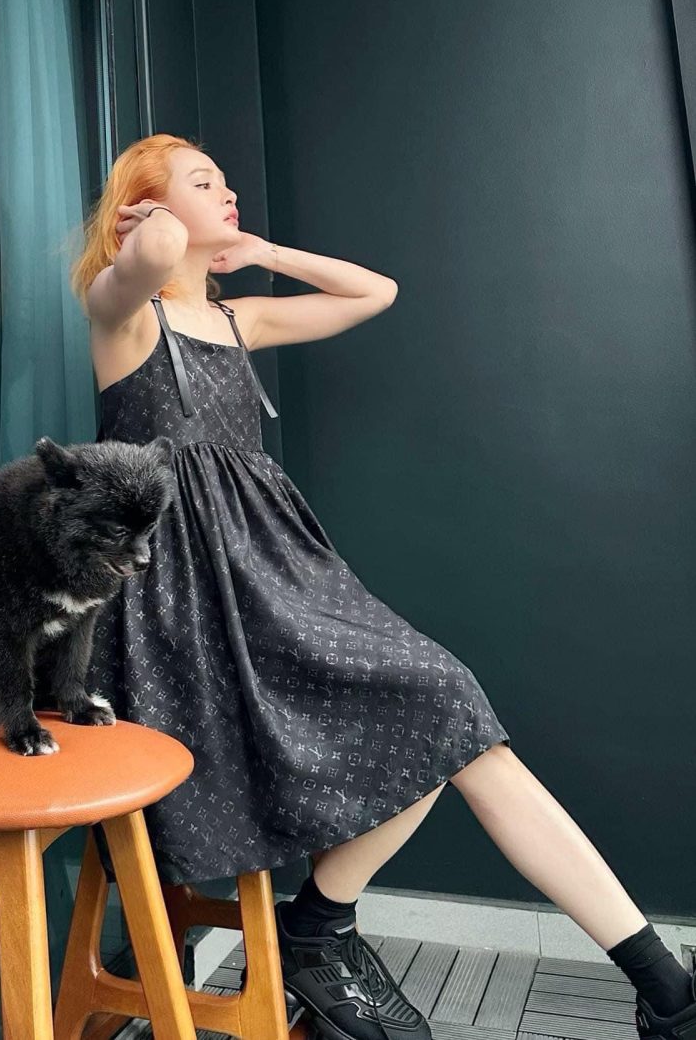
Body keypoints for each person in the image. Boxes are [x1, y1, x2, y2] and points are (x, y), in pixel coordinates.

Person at [70, 133, 695, 1040]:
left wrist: (264, 250)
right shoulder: (122, 315)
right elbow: (147, 260)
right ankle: (329, 929)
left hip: (281, 575)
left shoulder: (241, 321)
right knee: (446, 710)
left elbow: (374, 292)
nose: (229, 193)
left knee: (451, 712)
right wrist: (154, 228)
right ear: (149, 206)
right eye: (205, 182)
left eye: (228, 182)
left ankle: (658, 985)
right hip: (192, 613)